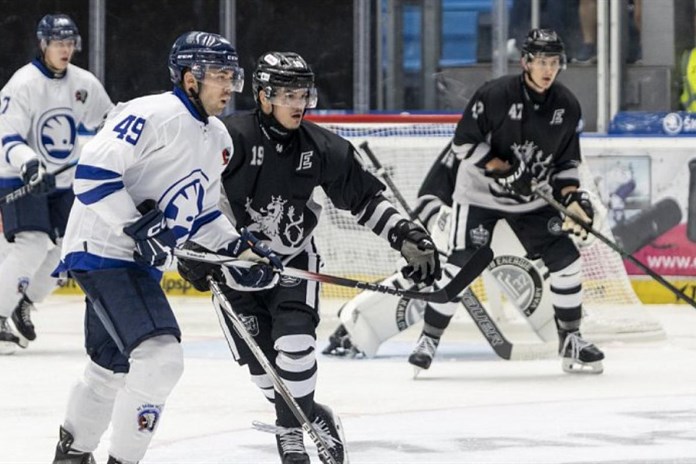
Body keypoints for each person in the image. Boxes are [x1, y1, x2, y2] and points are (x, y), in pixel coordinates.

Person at [177, 51, 441, 464]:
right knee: (267, 375)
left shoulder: (321, 147)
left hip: (291, 261)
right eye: (288, 94)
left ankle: (289, 433)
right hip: (235, 267)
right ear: (263, 96)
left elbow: (364, 198)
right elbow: (187, 191)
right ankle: (314, 416)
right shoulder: (228, 137)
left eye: (303, 93)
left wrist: (404, 234)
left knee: (296, 347)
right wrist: (192, 248)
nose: (299, 103)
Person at [50, 31, 277, 464]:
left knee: (109, 367)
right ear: (191, 78)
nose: (230, 86)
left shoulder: (218, 140)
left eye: (233, 75)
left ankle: (72, 455)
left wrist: (240, 251)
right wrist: (138, 228)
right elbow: (93, 175)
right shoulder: (153, 113)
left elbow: (202, 214)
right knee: (161, 359)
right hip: (103, 250)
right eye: (220, 76)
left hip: (131, 260)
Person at [406, 28, 604, 375]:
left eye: (554, 61)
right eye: (541, 61)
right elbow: (463, 144)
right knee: (460, 266)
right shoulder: (495, 95)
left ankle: (571, 338)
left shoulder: (567, 106)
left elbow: (566, 164)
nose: (548, 69)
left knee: (566, 258)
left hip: (531, 201)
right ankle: (429, 339)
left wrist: (572, 200)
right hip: (479, 194)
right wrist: (505, 169)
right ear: (526, 62)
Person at [0, 13, 113, 354]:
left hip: (63, 180)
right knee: (32, 244)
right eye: (58, 43)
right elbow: (7, 136)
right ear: (43, 44)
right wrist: (30, 164)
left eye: (69, 43)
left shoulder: (83, 83)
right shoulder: (23, 84)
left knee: (70, 248)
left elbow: (108, 121)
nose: (65, 49)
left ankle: (25, 302)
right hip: (20, 175)